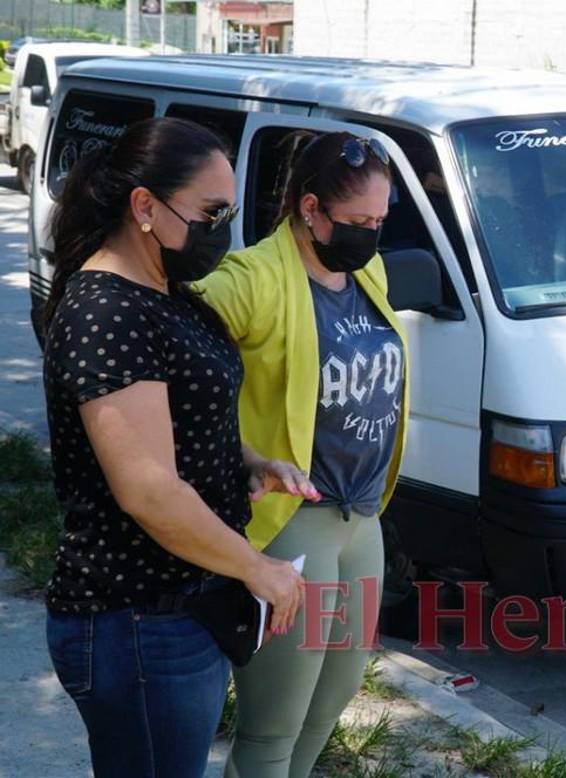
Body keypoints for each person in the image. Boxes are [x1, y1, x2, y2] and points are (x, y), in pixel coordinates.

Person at [41, 117, 309, 778]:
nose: (223, 230)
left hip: (179, 609)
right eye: (211, 212)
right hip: (136, 620)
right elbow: (148, 490)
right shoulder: (107, 312)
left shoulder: (166, 292)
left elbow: (186, 414)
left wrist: (248, 463)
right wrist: (259, 567)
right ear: (144, 208)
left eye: (231, 212)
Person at [194, 130, 410, 778]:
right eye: (358, 221)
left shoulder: (366, 269)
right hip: (292, 526)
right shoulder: (252, 279)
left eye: (381, 219)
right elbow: (168, 363)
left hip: (359, 518)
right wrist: (242, 453)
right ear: (310, 209)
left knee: (332, 698)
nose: (372, 234)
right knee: (274, 725)